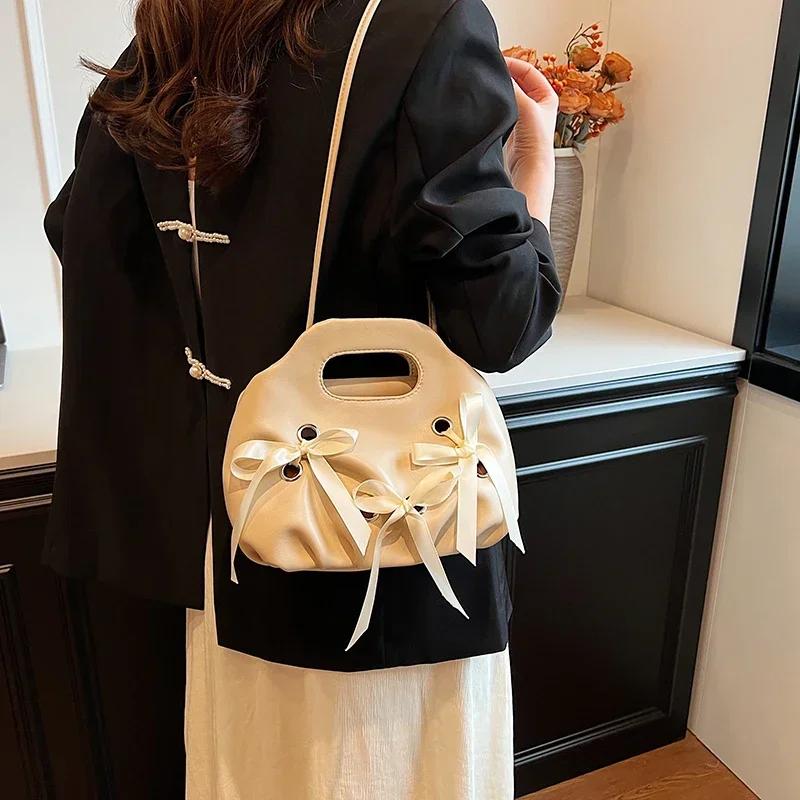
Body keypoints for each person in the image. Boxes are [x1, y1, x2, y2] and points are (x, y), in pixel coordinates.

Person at [44, 0, 560, 796]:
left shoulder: (177, 30)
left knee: (256, 768)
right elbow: (503, 322)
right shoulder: (431, 21)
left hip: (236, 520)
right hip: (394, 527)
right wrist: (535, 160)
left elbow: (80, 230)